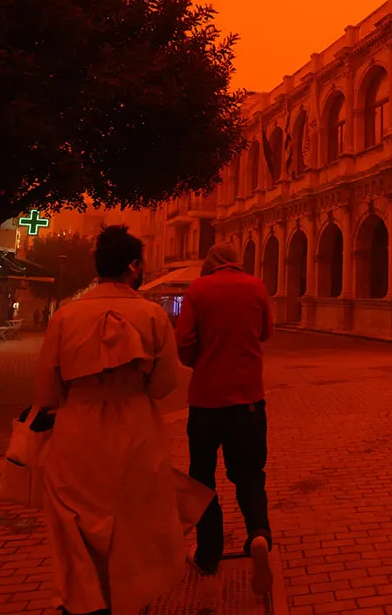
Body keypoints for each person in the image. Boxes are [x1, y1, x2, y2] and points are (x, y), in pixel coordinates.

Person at [35, 225, 184, 615]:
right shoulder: (152, 315)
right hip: (136, 428)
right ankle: (131, 601)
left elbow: (46, 394)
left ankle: (84, 600)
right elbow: (165, 384)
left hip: (77, 431)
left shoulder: (65, 316)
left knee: (76, 525)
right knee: (134, 523)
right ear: (134, 266)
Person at [175, 242, 274, 596]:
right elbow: (266, 333)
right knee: (249, 474)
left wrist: (196, 359)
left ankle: (208, 553)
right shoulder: (256, 285)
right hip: (248, 399)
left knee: (202, 477)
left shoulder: (198, 289)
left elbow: (183, 341)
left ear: (210, 262)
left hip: (205, 401)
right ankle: (259, 533)